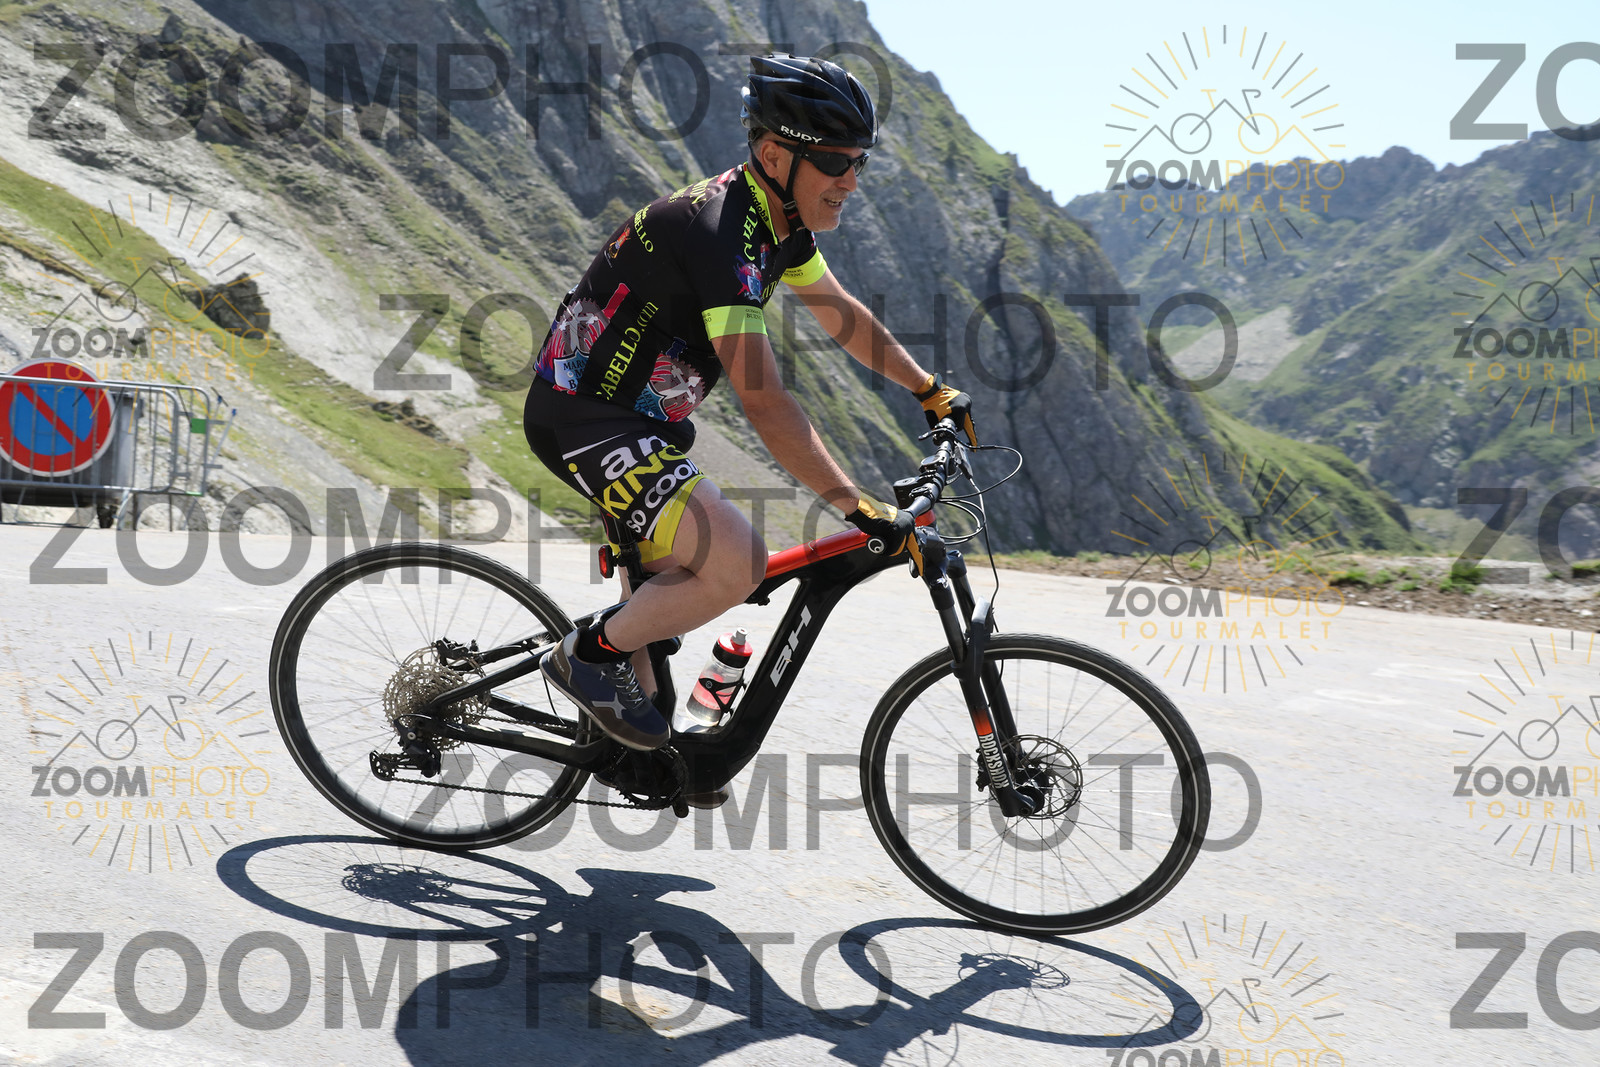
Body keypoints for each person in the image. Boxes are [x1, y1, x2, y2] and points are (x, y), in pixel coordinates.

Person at [523, 53, 976, 771]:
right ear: (774, 155)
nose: (851, 181)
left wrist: (929, 390)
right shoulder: (719, 232)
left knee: (652, 724)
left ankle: (655, 749)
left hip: (646, 426)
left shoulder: (781, 227)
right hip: (587, 420)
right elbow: (763, 400)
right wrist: (854, 504)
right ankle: (585, 654)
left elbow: (839, 313)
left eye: (859, 161)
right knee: (738, 562)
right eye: (836, 162)